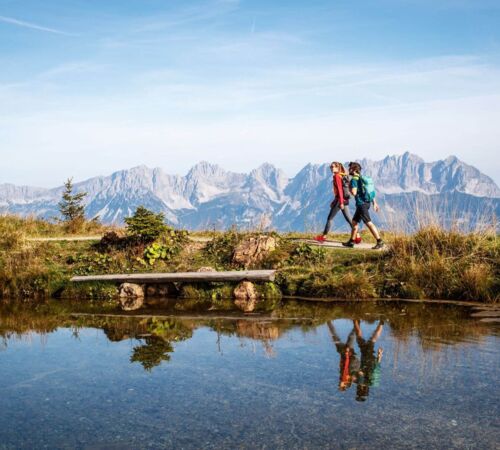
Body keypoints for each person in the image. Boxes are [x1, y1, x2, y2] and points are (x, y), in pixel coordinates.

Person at [315, 162, 361, 244]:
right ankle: (357, 236)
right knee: (349, 219)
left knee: (330, 218)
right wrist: (336, 201)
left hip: (340, 200)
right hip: (344, 200)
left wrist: (340, 202)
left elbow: (340, 189)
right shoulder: (342, 175)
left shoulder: (337, 176)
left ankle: (323, 236)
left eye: (333, 167)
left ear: (338, 167)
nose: (331, 168)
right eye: (331, 167)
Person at [342, 162, 385, 250]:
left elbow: (353, 193)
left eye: (350, 168)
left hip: (361, 204)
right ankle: (351, 242)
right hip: (367, 202)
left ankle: (379, 241)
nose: (348, 170)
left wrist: (349, 186)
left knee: (368, 222)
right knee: (354, 222)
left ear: (354, 170)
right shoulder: (362, 178)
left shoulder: (354, 179)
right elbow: (369, 192)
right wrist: (374, 203)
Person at [353, 319, 384, 402]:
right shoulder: (360, 382)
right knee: (360, 339)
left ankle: (381, 323)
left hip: (371, 359)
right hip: (366, 357)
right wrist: (354, 376)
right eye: (358, 392)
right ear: (360, 390)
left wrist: (379, 355)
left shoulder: (373, 382)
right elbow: (360, 372)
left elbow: (377, 368)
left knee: (372, 340)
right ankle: (355, 320)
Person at [327, 321, 360, 391]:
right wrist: (347, 354)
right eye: (340, 385)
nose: (339, 383)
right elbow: (347, 365)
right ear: (345, 384)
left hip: (343, 353)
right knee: (351, 336)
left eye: (339, 385)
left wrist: (343, 355)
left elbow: (342, 364)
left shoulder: (343, 376)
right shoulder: (347, 377)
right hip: (348, 353)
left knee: (336, 338)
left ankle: (328, 321)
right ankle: (357, 323)